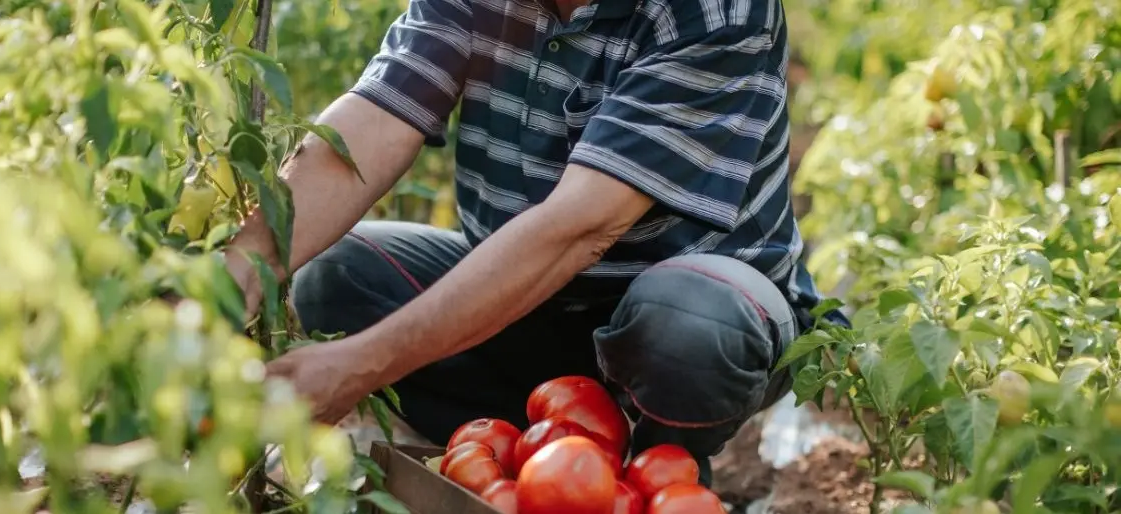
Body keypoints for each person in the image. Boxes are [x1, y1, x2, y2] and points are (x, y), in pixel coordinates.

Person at [224, 0, 845, 486]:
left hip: (691, 315)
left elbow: (580, 227)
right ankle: (539, 459)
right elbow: (374, 122)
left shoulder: (717, 12)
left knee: (687, 329)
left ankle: (661, 474)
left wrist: (360, 365)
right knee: (342, 276)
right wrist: (225, 285)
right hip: (533, 307)